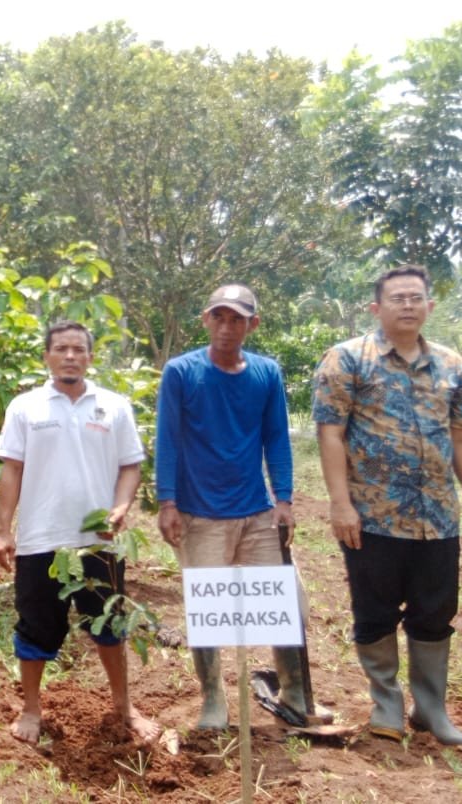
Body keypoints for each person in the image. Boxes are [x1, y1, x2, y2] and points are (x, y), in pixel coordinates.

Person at [314, 265, 462, 746]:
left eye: (415, 297)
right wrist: (341, 505)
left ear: (429, 306)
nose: (407, 305)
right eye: (397, 297)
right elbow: (330, 434)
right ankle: (386, 704)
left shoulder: (453, 367)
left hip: (437, 518)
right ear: (376, 307)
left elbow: (461, 438)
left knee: (434, 612)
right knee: (374, 611)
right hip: (372, 517)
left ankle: (430, 710)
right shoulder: (347, 360)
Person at [0, 320, 160, 746]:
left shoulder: (114, 406)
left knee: (110, 626)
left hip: (98, 542)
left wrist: (121, 506)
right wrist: (3, 530)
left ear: (90, 356)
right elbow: (12, 470)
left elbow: (130, 465)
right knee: (35, 627)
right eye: (61, 349)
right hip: (40, 539)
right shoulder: (25, 407)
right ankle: (32, 708)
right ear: (47, 356)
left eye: (78, 350)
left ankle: (124, 707)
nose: (70, 356)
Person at [155, 283, 312, 730]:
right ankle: (212, 699)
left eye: (237, 319)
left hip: (256, 510)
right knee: (207, 607)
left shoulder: (266, 373)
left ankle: (294, 690)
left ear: (252, 325)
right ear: (206, 319)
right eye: (219, 317)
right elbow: (167, 438)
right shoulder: (181, 373)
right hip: (199, 511)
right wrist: (167, 501)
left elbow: (276, 437)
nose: (227, 327)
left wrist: (283, 498)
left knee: (282, 602)